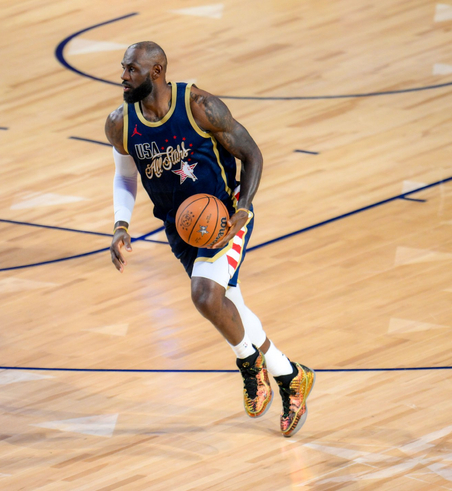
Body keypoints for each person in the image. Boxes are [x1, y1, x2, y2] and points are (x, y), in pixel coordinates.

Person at [104, 41, 314, 437]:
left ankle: (249, 365)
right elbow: (124, 175)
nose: (123, 76)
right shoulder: (121, 123)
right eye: (123, 68)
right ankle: (291, 376)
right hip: (180, 227)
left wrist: (244, 209)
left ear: (157, 72)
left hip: (223, 216)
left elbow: (252, 154)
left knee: (204, 295)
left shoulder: (199, 106)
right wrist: (121, 225)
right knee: (229, 306)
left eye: (132, 69)